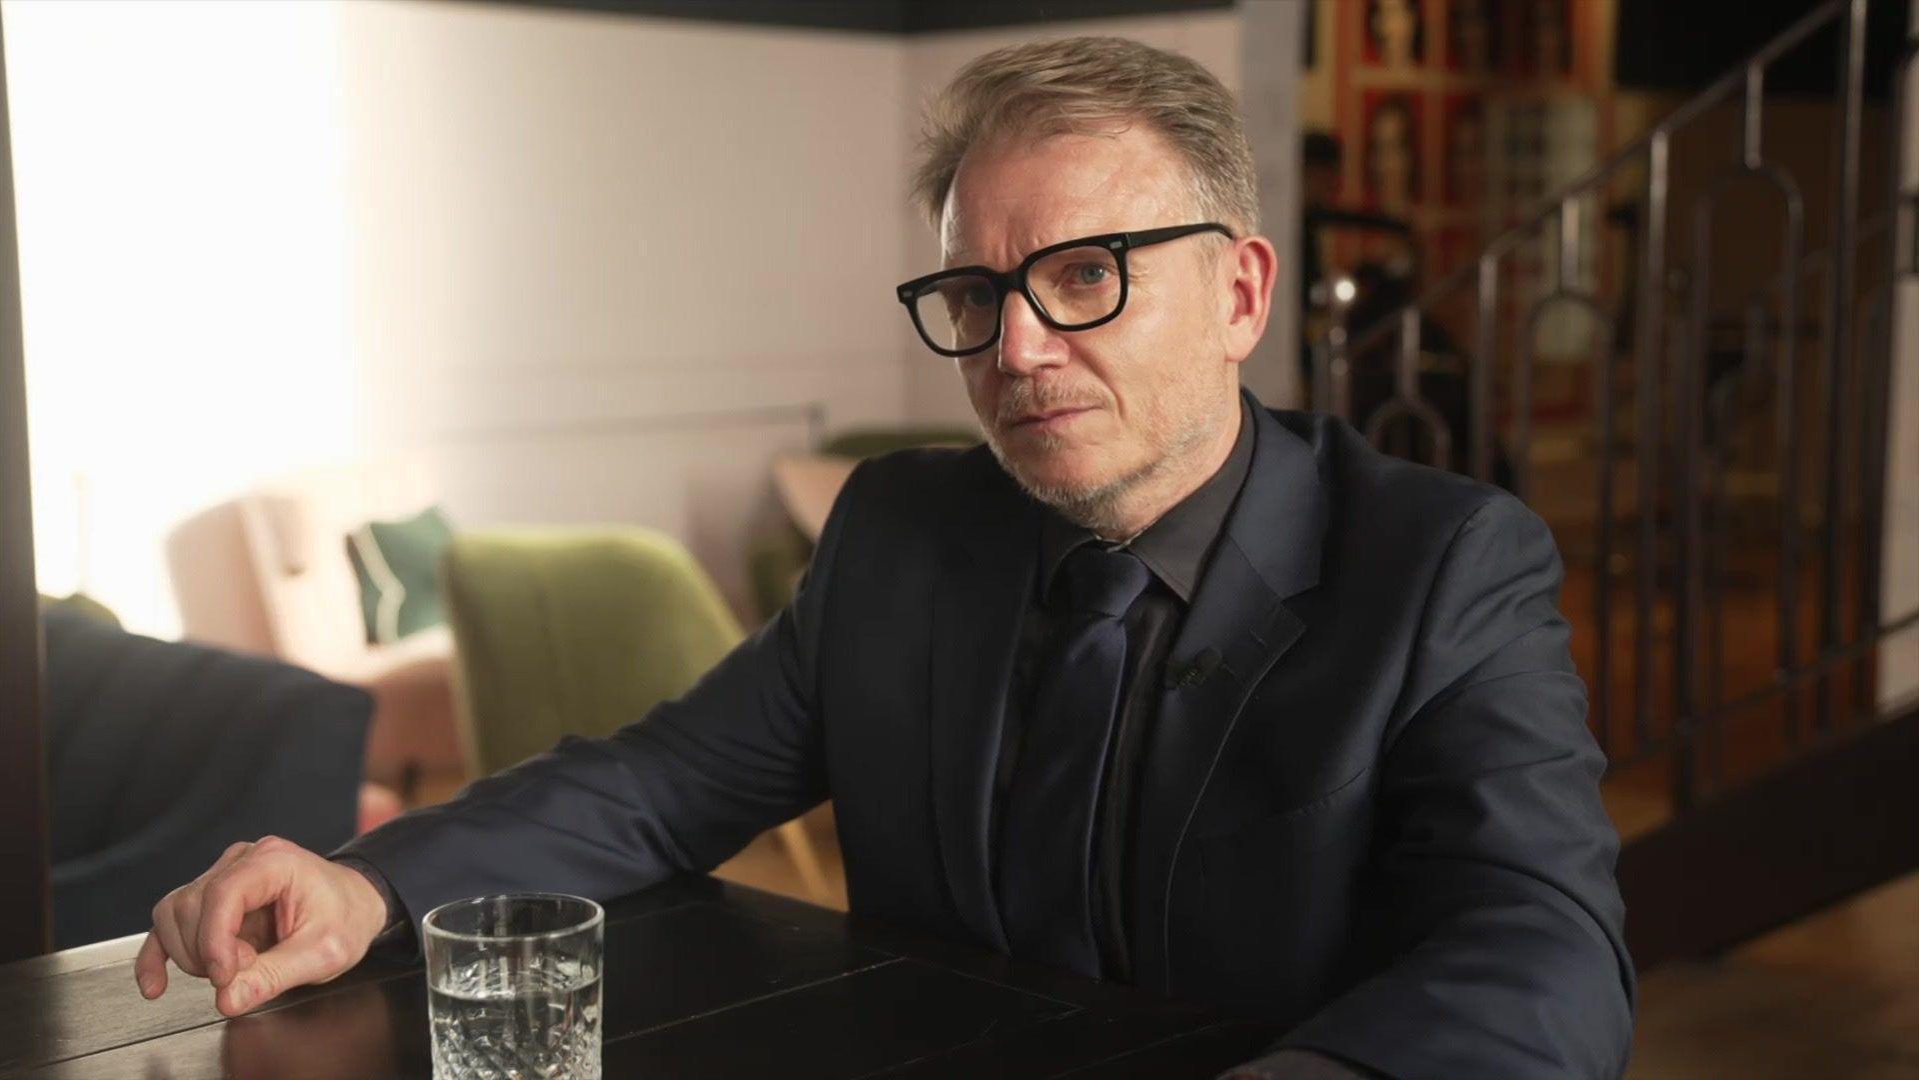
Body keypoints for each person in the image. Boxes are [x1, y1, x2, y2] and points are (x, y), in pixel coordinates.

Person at [134, 37, 1633, 1079]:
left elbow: (1545, 959)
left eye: (1086, 276)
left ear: (1241, 294)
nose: (1016, 347)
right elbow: (658, 785)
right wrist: (367, 886)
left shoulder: (1442, 564)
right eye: (975, 292)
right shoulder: (902, 531)